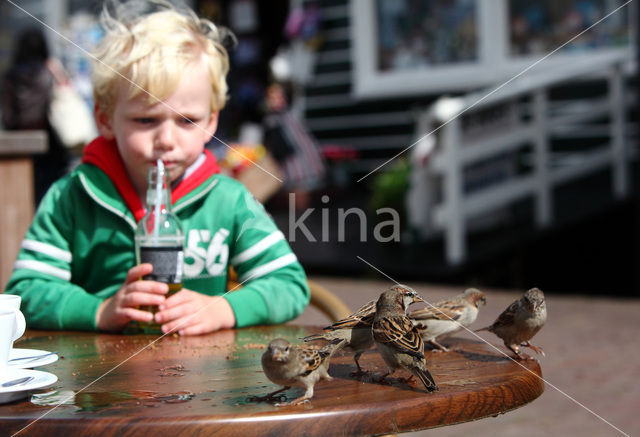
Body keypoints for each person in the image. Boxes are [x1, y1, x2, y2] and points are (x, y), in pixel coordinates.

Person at [4, 0, 310, 335]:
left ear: (211, 121)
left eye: (187, 121)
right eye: (146, 120)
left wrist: (222, 308)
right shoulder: (72, 196)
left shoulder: (229, 200)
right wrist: (98, 310)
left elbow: (289, 285)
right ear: (105, 120)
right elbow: (25, 292)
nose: (166, 139)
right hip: (98, 380)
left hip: (205, 380)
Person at [1, 27, 72, 204]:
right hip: (50, 143)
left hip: (18, 144)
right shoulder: (49, 71)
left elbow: (8, 116)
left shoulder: (12, 75)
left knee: (19, 197)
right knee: (49, 194)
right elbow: (67, 94)